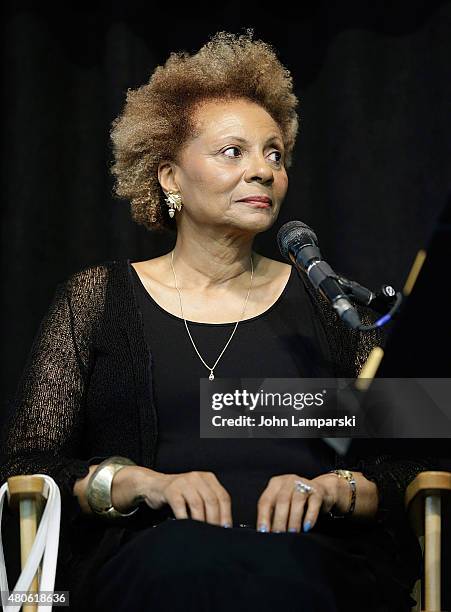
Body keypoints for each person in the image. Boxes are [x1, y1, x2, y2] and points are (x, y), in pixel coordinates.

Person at [0, 30, 436, 612]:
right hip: (151, 561)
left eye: (274, 153)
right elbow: (24, 468)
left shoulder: (330, 306)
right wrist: (137, 482)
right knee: (183, 565)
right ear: (169, 177)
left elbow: (417, 458)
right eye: (234, 152)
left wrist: (337, 489)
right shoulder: (97, 302)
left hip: (312, 563)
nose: (263, 171)